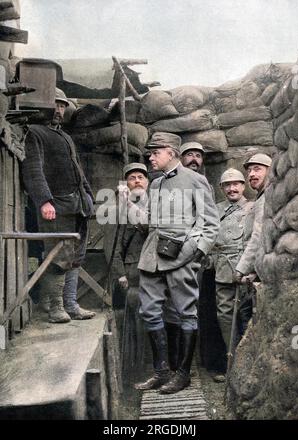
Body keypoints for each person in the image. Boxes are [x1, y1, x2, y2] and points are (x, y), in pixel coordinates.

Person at [135, 132, 220, 394]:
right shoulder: (156, 184)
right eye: (150, 153)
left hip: (182, 256)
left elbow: (210, 223)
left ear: (171, 153)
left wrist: (195, 250)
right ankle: (162, 372)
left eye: (155, 152)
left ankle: (182, 374)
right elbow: (149, 221)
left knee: (186, 313)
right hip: (152, 257)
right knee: (149, 310)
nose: (150, 157)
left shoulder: (196, 180)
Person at [22, 88, 96, 323]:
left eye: (63, 105)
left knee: (75, 256)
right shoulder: (34, 133)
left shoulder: (65, 136)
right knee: (57, 255)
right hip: (56, 206)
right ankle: (55, 308)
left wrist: (88, 197)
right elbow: (33, 170)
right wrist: (44, 200)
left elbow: (78, 171)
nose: (58, 109)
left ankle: (71, 305)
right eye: (54, 104)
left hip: (77, 205)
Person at [103, 163, 149, 379]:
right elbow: (112, 248)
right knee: (137, 319)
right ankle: (138, 369)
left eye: (141, 177)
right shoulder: (116, 211)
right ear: (126, 184)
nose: (137, 180)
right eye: (132, 178)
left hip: (157, 272)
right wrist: (120, 273)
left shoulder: (154, 207)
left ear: (147, 182)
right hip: (133, 274)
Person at [211, 168, 254, 382]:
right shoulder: (216, 210)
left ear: (243, 186)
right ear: (221, 188)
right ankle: (232, 366)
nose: (232, 188)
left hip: (247, 271)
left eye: (236, 183)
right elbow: (210, 240)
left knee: (247, 317)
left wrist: (250, 269)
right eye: (227, 185)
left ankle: (250, 368)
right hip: (222, 270)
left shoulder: (253, 208)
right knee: (225, 317)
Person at [235, 154, 272, 283]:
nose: (251, 174)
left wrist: (242, 268)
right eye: (249, 171)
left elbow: (258, 235)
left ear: (270, 171)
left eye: (257, 169)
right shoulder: (262, 196)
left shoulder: (267, 197)